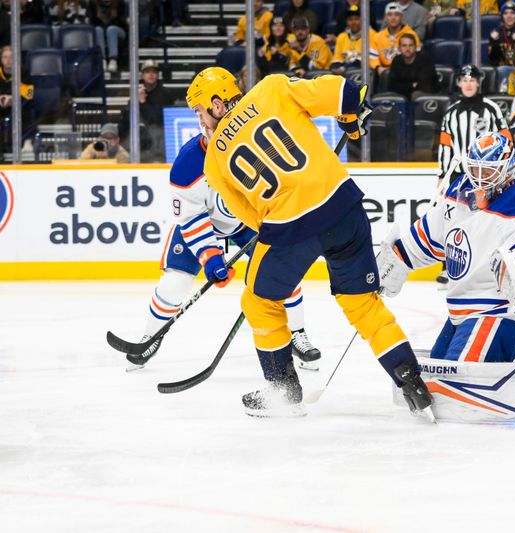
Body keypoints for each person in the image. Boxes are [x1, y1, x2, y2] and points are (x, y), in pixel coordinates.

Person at [186, 67, 433, 418]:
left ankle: (284, 393)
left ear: (216, 103)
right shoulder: (271, 88)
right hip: (344, 206)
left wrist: (284, 239)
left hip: (289, 229)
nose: (200, 119)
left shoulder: (213, 162)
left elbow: (252, 219)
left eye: (199, 110)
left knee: (258, 300)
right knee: (363, 305)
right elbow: (347, 92)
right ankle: (411, 381)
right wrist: (350, 117)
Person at [376, 132, 515, 426]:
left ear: (507, 169)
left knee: (452, 389)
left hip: (504, 312)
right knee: (437, 377)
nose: (479, 177)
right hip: (462, 315)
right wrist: (394, 261)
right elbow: (429, 234)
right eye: (474, 168)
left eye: (487, 170)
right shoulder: (457, 193)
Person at [126, 131, 321, 371]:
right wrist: (210, 256)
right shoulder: (189, 161)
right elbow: (191, 218)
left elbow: (283, 185)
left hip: (247, 221)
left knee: (284, 273)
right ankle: (151, 337)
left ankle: (296, 333)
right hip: (201, 221)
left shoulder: (255, 146)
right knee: (175, 282)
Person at [438, 64, 510, 183]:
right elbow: (445, 147)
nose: (468, 84)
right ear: (459, 83)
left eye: (472, 80)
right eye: (465, 80)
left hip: (486, 173)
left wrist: (504, 171)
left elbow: (506, 141)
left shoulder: (492, 109)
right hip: (458, 175)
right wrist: (442, 175)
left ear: (478, 83)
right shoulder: (450, 113)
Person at [120, 60, 178, 162]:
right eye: (147, 72)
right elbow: (125, 122)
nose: (151, 75)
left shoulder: (165, 94)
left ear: (157, 75)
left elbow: (157, 120)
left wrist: (142, 103)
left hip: (159, 143)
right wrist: (135, 102)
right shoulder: (137, 94)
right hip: (139, 141)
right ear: (142, 75)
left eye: (154, 72)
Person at [0, 45, 35, 153]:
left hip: (18, 107)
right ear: (1, 59)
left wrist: (12, 99)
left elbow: (29, 95)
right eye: (5, 57)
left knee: (27, 111)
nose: (8, 60)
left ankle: (28, 141)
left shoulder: (24, 74)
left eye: (11, 57)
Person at [330, 4, 378, 76]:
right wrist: (335, 67)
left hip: (364, 74)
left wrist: (345, 68)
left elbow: (370, 58)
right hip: (345, 72)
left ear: (363, 20)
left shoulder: (372, 34)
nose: (353, 22)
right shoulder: (342, 36)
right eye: (350, 19)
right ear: (346, 21)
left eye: (357, 19)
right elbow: (337, 58)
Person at [375, 2, 420, 75]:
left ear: (401, 17)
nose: (393, 18)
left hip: (406, 71)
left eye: (396, 14)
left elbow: (417, 57)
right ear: (385, 18)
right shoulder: (377, 36)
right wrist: (378, 67)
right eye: (389, 15)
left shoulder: (411, 35)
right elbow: (372, 57)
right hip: (383, 73)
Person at [387, 34, 438, 98]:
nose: (407, 49)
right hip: (404, 97)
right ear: (399, 48)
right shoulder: (396, 60)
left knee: (416, 95)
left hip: (427, 97)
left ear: (416, 47)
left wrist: (404, 87)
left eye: (411, 45)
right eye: (404, 46)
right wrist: (411, 85)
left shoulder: (424, 59)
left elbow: (424, 86)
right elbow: (392, 86)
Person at [488, 1, 515, 74]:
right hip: (502, 68)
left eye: (512, 13)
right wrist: (494, 43)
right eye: (505, 13)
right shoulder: (496, 32)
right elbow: (493, 60)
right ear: (502, 16)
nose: (509, 16)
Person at [89, 0, 126, 74]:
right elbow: (91, 22)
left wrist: (115, 15)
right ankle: (102, 60)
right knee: (97, 29)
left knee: (111, 29)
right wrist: (98, 15)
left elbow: (124, 22)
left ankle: (113, 60)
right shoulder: (93, 3)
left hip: (117, 31)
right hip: (100, 31)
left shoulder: (120, 3)